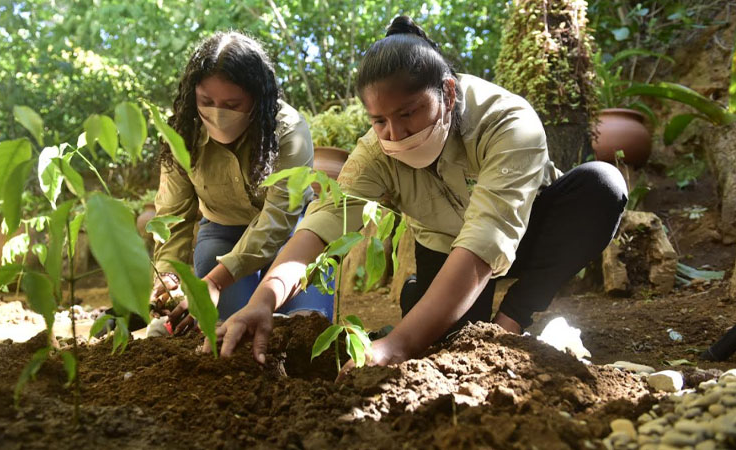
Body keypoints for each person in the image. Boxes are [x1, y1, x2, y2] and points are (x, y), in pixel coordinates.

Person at [215, 16, 628, 367]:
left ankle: (516, 315)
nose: (395, 134)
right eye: (379, 121)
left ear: (447, 92)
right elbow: (323, 223)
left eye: (408, 113)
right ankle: (423, 294)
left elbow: (486, 238)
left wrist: (395, 346)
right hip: (447, 251)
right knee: (449, 340)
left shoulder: (506, 121)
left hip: (528, 232)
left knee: (602, 187)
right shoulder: (374, 153)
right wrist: (264, 298)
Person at [143, 31, 333, 332]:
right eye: (206, 101)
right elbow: (173, 217)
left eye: (232, 105)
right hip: (221, 234)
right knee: (232, 328)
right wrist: (168, 276)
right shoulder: (182, 133)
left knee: (304, 328)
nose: (217, 113)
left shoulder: (287, 130)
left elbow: (278, 219)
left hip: (292, 235)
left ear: (257, 100)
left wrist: (216, 280)